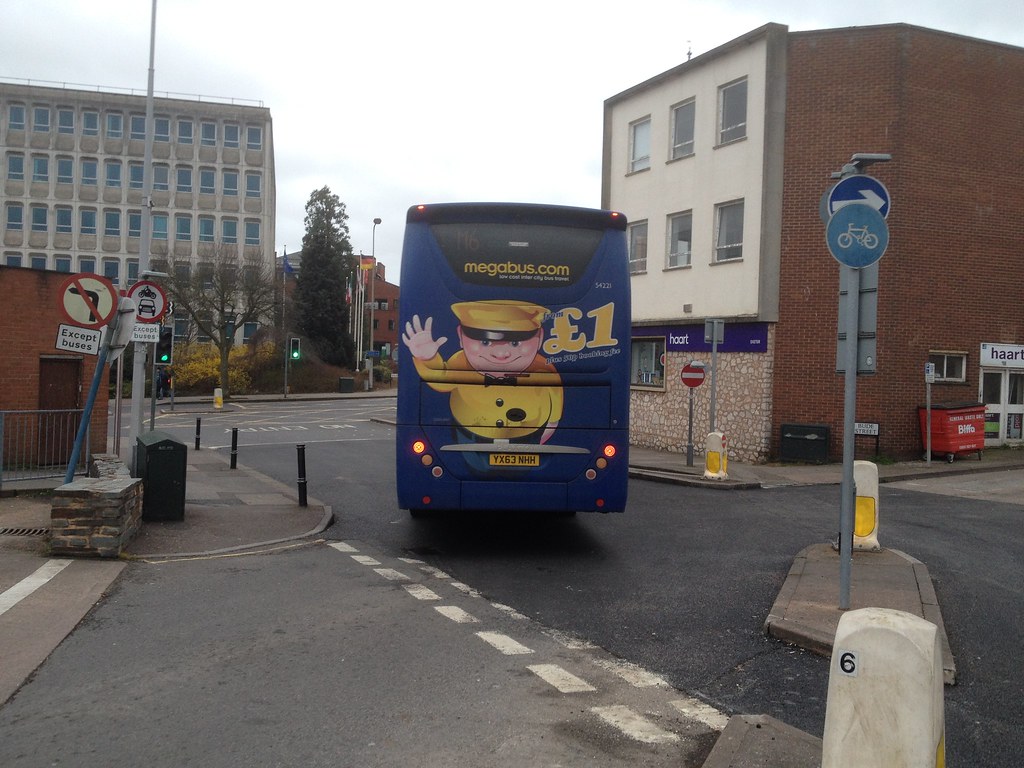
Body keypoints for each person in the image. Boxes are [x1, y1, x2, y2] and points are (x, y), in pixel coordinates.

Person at [402, 300, 563, 445]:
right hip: (470, 436)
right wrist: (428, 358)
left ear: (540, 338)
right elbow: (441, 379)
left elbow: (555, 395)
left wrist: (552, 424)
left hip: (528, 435)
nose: (500, 354)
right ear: (461, 336)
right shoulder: (460, 362)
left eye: (515, 342)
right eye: (485, 341)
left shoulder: (544, 368)